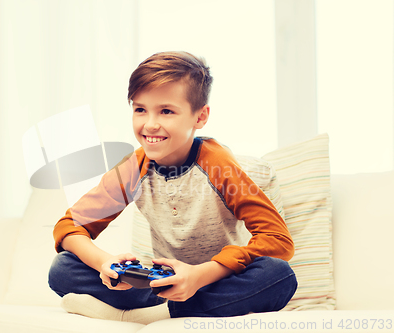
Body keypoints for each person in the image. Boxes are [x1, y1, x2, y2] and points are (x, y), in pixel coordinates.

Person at [48, 51, 297, 324]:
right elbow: (68, 226)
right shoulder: (134, 168)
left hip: (214, 282)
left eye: (166, 111)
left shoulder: (219, 165)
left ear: (200, 117)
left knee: (279, 275)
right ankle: (159, 309)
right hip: (159, 287)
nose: (150, 124)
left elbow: (277, 240)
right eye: (140, 109)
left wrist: (201, 274)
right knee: (62, 268)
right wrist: (104, 262)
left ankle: (150, 315)